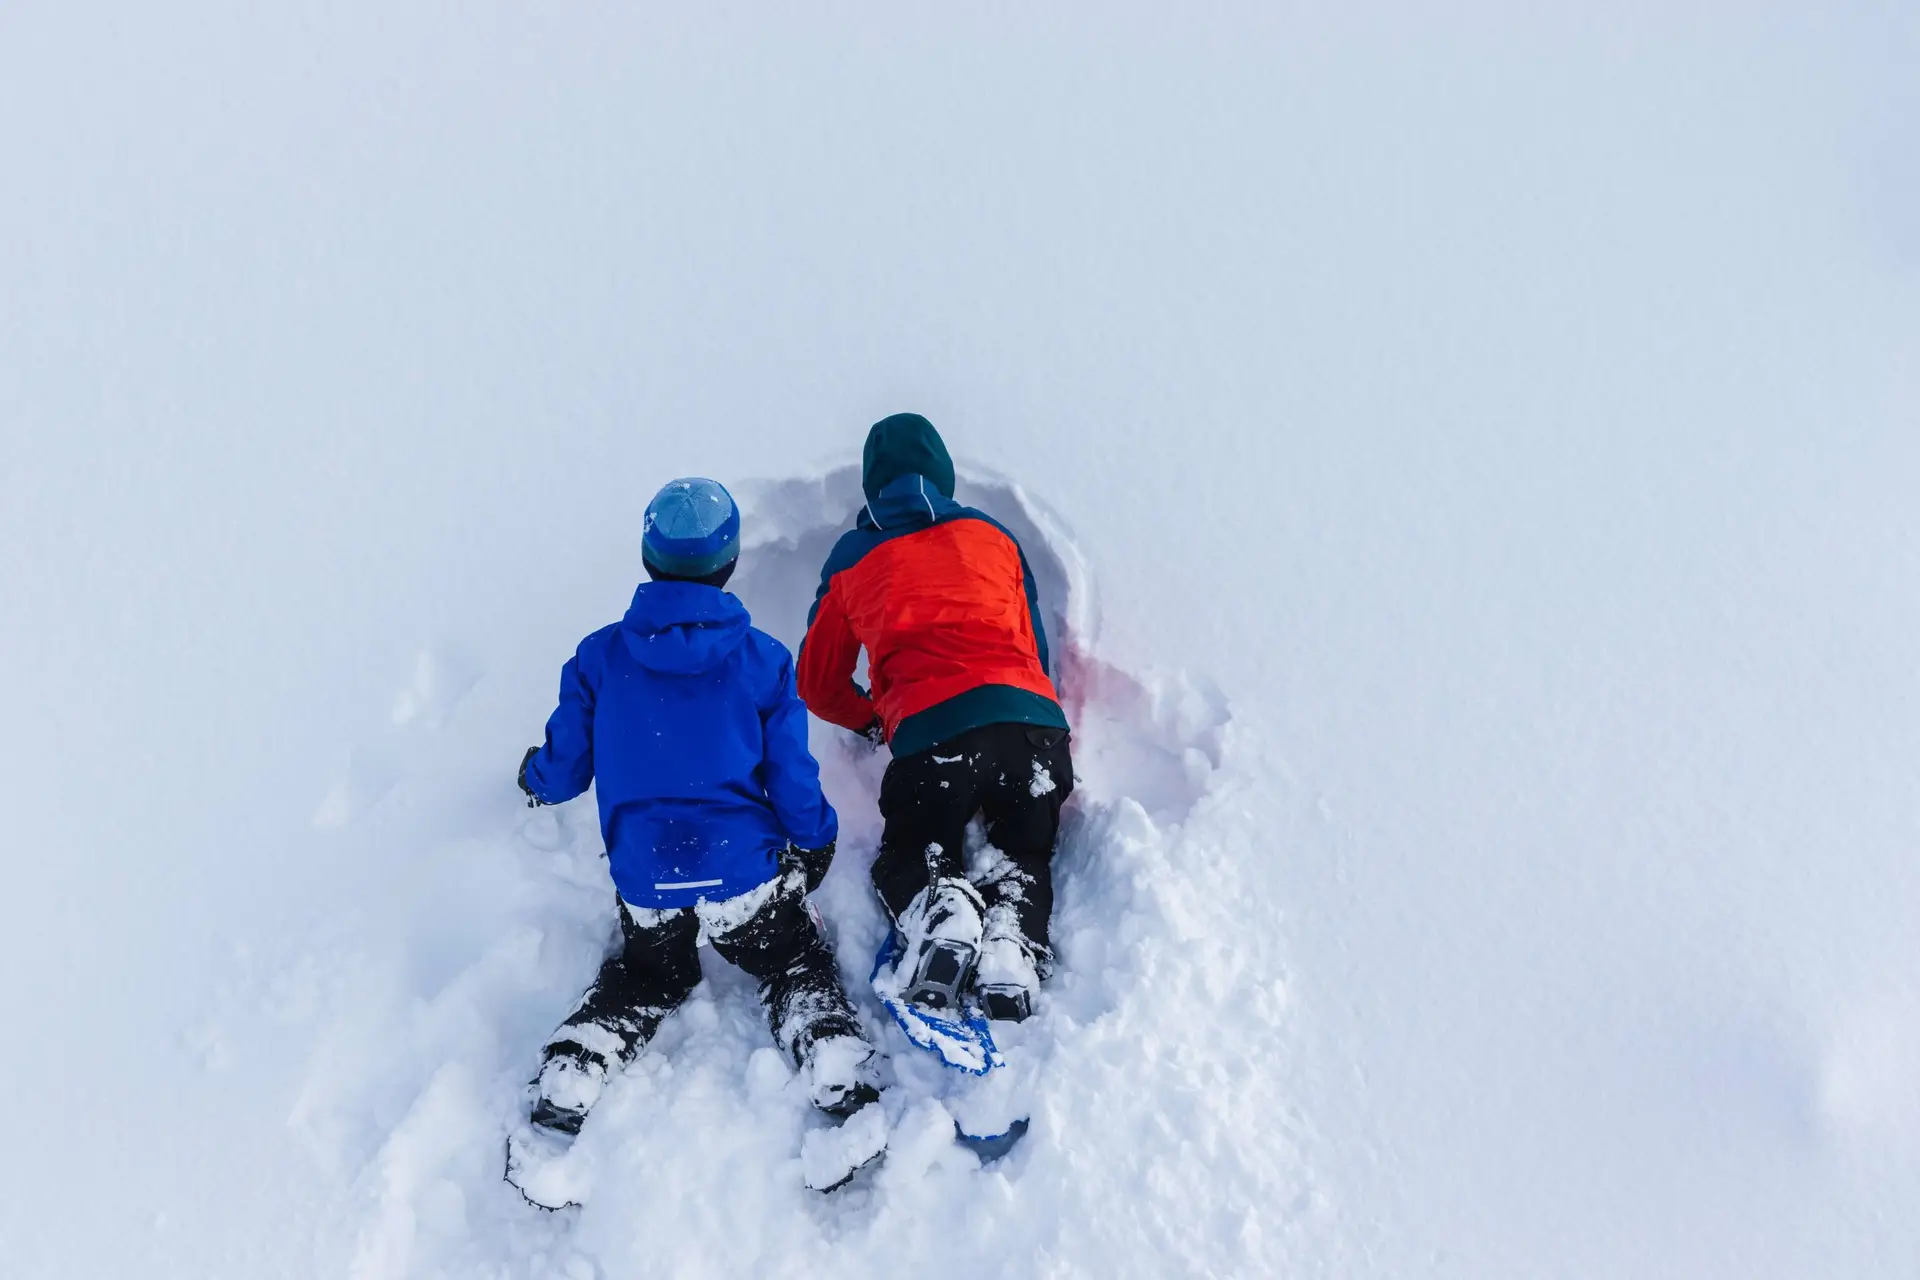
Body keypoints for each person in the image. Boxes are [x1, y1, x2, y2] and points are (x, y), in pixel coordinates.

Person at [513, 477, 881, 1160]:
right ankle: (827, 1051)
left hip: (647, 881)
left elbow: (564, 768)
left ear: (649, 557)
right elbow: (792, 776)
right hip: (742, 875)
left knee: (649, 975)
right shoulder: (764, 661)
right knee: (792, 957)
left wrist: (535, 777)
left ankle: (580, 1061)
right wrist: (816, 835)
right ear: (729, 562)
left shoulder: (600, 656)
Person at [797, 414, 1074, 1023]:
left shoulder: (852, 559)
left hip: (933, 739)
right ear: (943, 474)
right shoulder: (994, 536)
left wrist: (875, 720)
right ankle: (1010, 946)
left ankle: (941, 908)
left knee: (911, 855)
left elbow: (816, 684)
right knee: (1022, 857)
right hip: (1032, 726)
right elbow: (1037, 650)